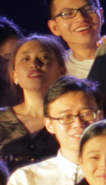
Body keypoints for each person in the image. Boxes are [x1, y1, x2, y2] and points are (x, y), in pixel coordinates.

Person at [5, 77, 100, 185]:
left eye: (86, 114)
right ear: (49, 124)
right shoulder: (26, 179)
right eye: (66, 117)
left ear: (100, 116)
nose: (78, 123)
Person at [1, 35, 65, 170]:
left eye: (44, 57)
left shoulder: (73, 117)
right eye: (25, 59)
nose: (34, 64)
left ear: (61, 71)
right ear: (14, 75)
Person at [43, 0, 106, 80]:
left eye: (88, 9)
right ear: (54, 27)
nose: (81, 18)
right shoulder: (54, 70)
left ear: (101, 15)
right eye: (68, 13)